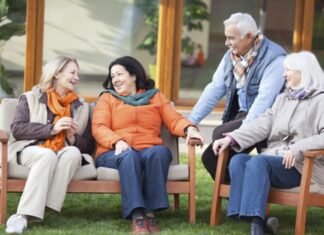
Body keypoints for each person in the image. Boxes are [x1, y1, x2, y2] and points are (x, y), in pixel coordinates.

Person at [212, 51, 324, 235]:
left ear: (303, 72)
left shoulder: (321, 100)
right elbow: (263, 124)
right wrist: (231, 138)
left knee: (258, 161)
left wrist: (298, 147)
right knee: (238, 160)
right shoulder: (283, 99)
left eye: (288, 70)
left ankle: (257, 228)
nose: (284, 74)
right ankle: (257, 222)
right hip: (277, 160)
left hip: (303, 166)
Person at [92, 56, 204, 234]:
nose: (115, 80)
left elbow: (173, 119)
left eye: (119, 74)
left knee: (159, 152)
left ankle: (150, 214)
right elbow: (99, 127)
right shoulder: (107, 99)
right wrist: (117, 141)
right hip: (114, 152)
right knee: (129, 156)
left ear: (134, 75)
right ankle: (137, 216)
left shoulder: (155, 97)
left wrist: (189, 129)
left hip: (147, 150)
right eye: (112, 76)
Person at [188, 12, 286, 180]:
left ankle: (247, 196)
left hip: (268, 118)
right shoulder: (231, 57)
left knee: (220, 135)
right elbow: (214, 89)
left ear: (248, 37)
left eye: (231, 38)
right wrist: (190, 122)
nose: (226, 43)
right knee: (212, 159)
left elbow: (264, 101)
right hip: (244, 114)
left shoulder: (275, 59)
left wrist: (240, 133)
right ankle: (239, 198)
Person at [5, 55, 94, 234]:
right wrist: (52, 129)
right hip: (29, 150)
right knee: (47, 155)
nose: (77, 78)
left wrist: (72, 137)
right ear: (57, 73)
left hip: (61, 151)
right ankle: (22, 215)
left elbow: (89, 146)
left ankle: (44, 206)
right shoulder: (30, 97)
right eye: (72, 72)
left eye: (78, 73)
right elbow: (18, 129)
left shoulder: (81, 106)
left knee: (73, 153)